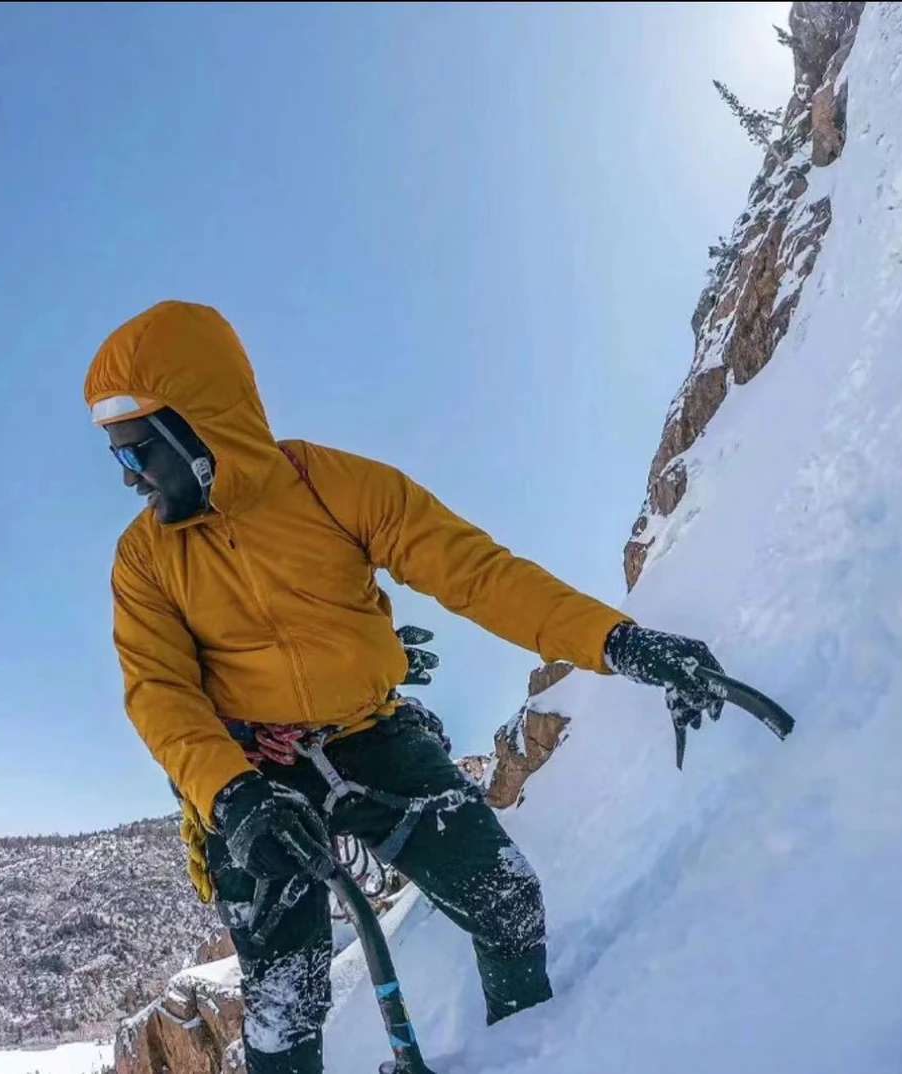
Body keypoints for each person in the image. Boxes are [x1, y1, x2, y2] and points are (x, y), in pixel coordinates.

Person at [84, 300, 727, 1074]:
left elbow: (479, 576)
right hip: (250, 771)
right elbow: (159, 690)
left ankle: (526, 1056)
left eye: (137, 451)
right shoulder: (145, 559)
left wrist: (618, 642)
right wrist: (231, 793)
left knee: (506, 902)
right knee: (286, 1004)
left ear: (197, 426)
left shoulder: (334, 487)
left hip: (373, 733)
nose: (128, 478)